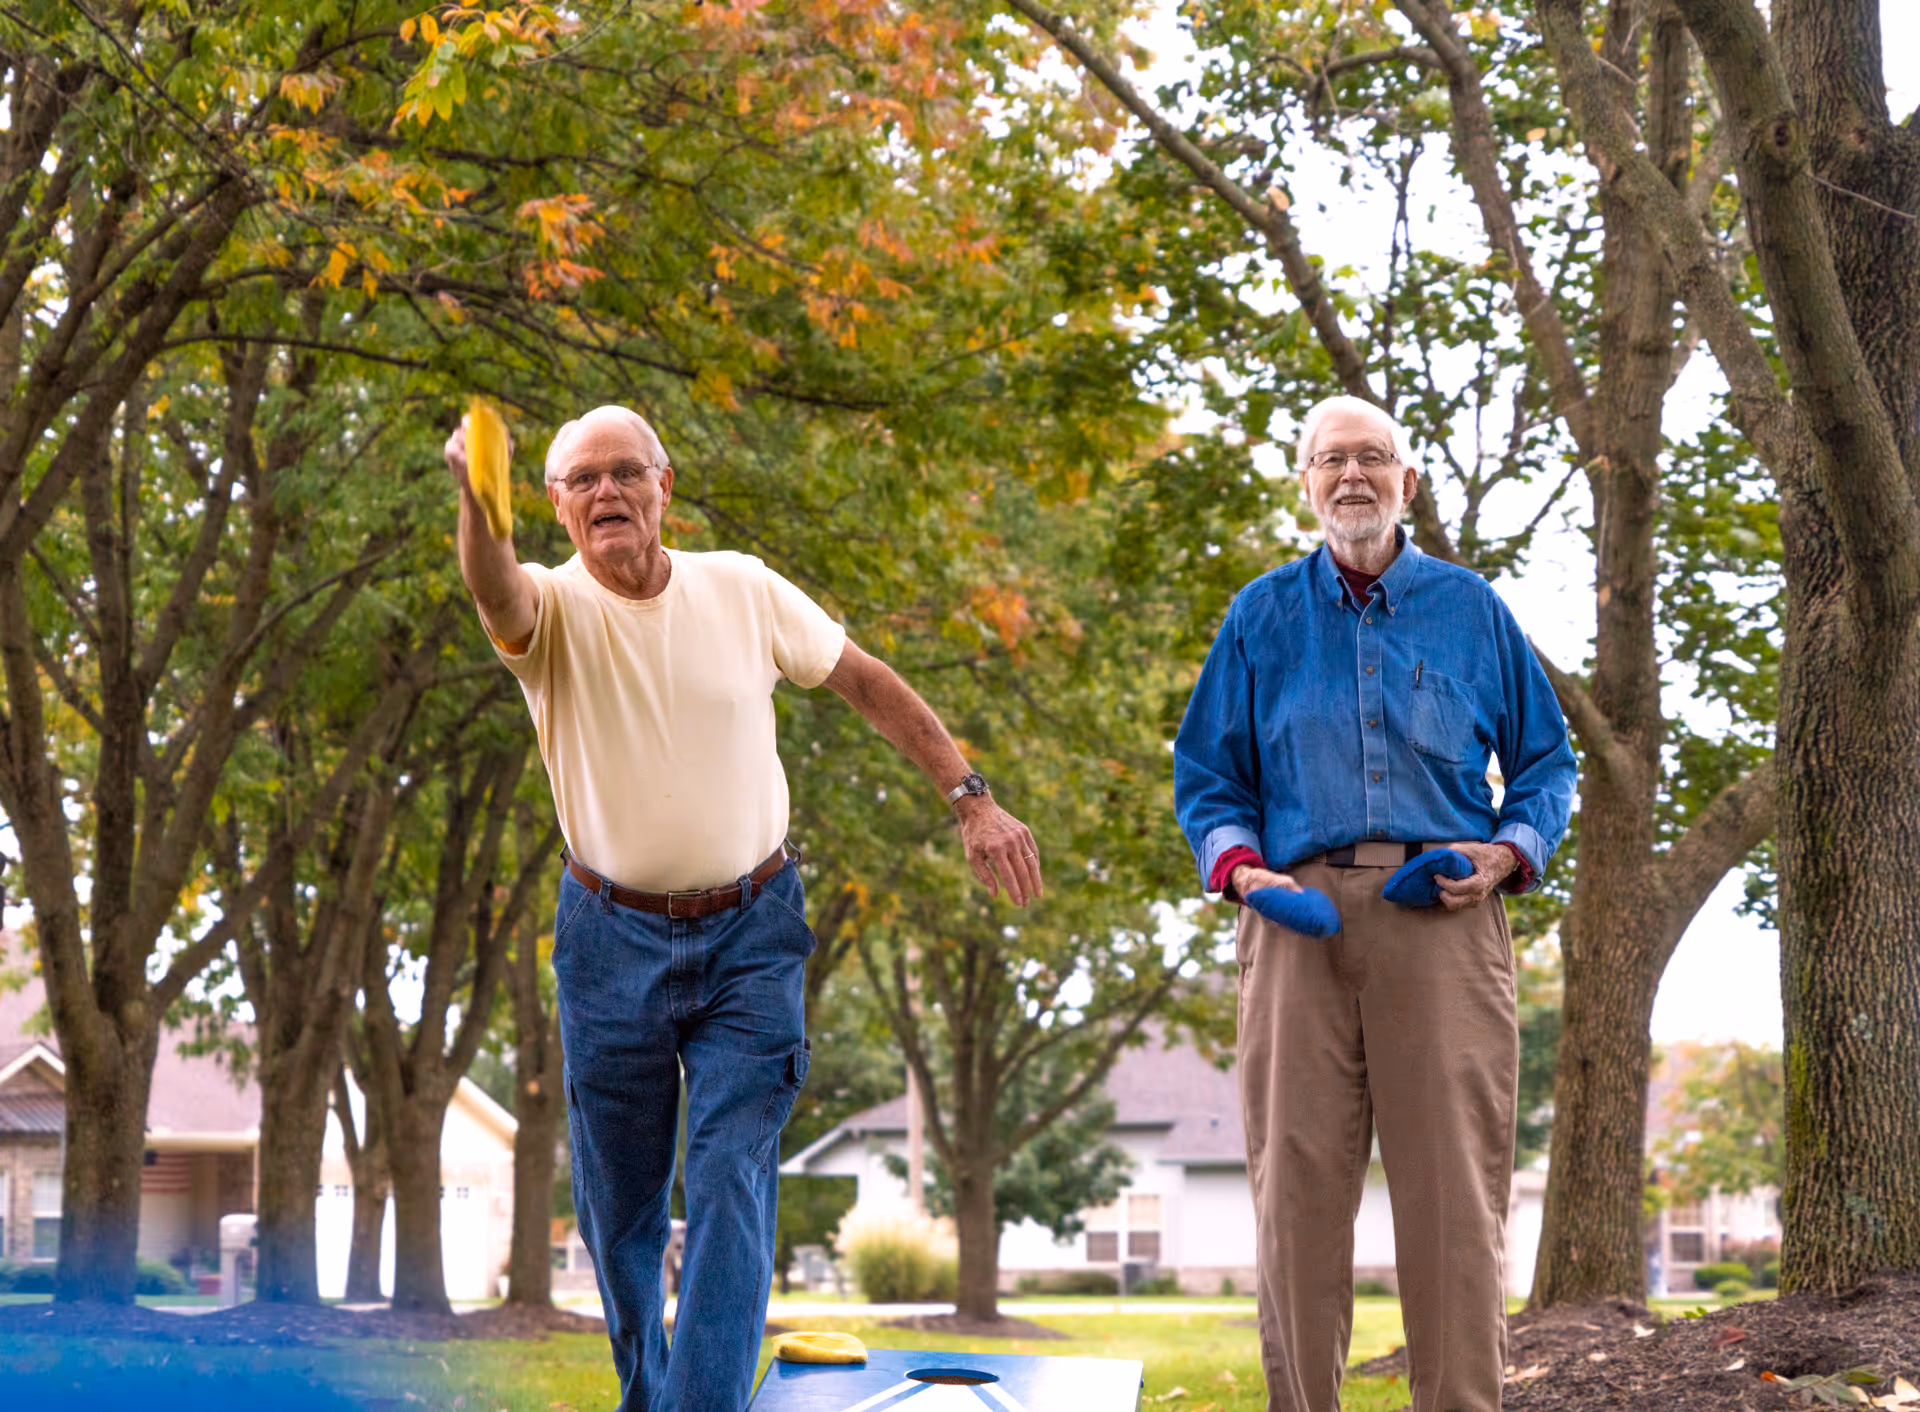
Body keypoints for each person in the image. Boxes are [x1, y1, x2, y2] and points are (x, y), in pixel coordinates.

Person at [445, 404, 1042, 1412]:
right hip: (607, 937)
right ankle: (654, 1392)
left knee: (728, 1173)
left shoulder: (743, 585)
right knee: (619, 1209)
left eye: (624, 472)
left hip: (750, 930)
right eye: (579, 480)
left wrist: (970, 795)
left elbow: (861, 678)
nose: (605, 493)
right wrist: (477, 499)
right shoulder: (547, 613)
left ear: (664, 485)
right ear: (551, 504)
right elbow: (490, 580)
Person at [1173, 395, 1576, 1412]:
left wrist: (1504, 852)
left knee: (1452, 1201)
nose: (1352, 475)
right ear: (1305, 482)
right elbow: (1207, 777)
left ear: (1408, 479)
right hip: (1293, 918)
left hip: (1442, 915)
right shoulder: (1259, 615)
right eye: (1330, 459)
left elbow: (1547, 765)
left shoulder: (1472, 608)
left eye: (1373, 457)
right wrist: (1241, 866)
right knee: (1297, 1201)